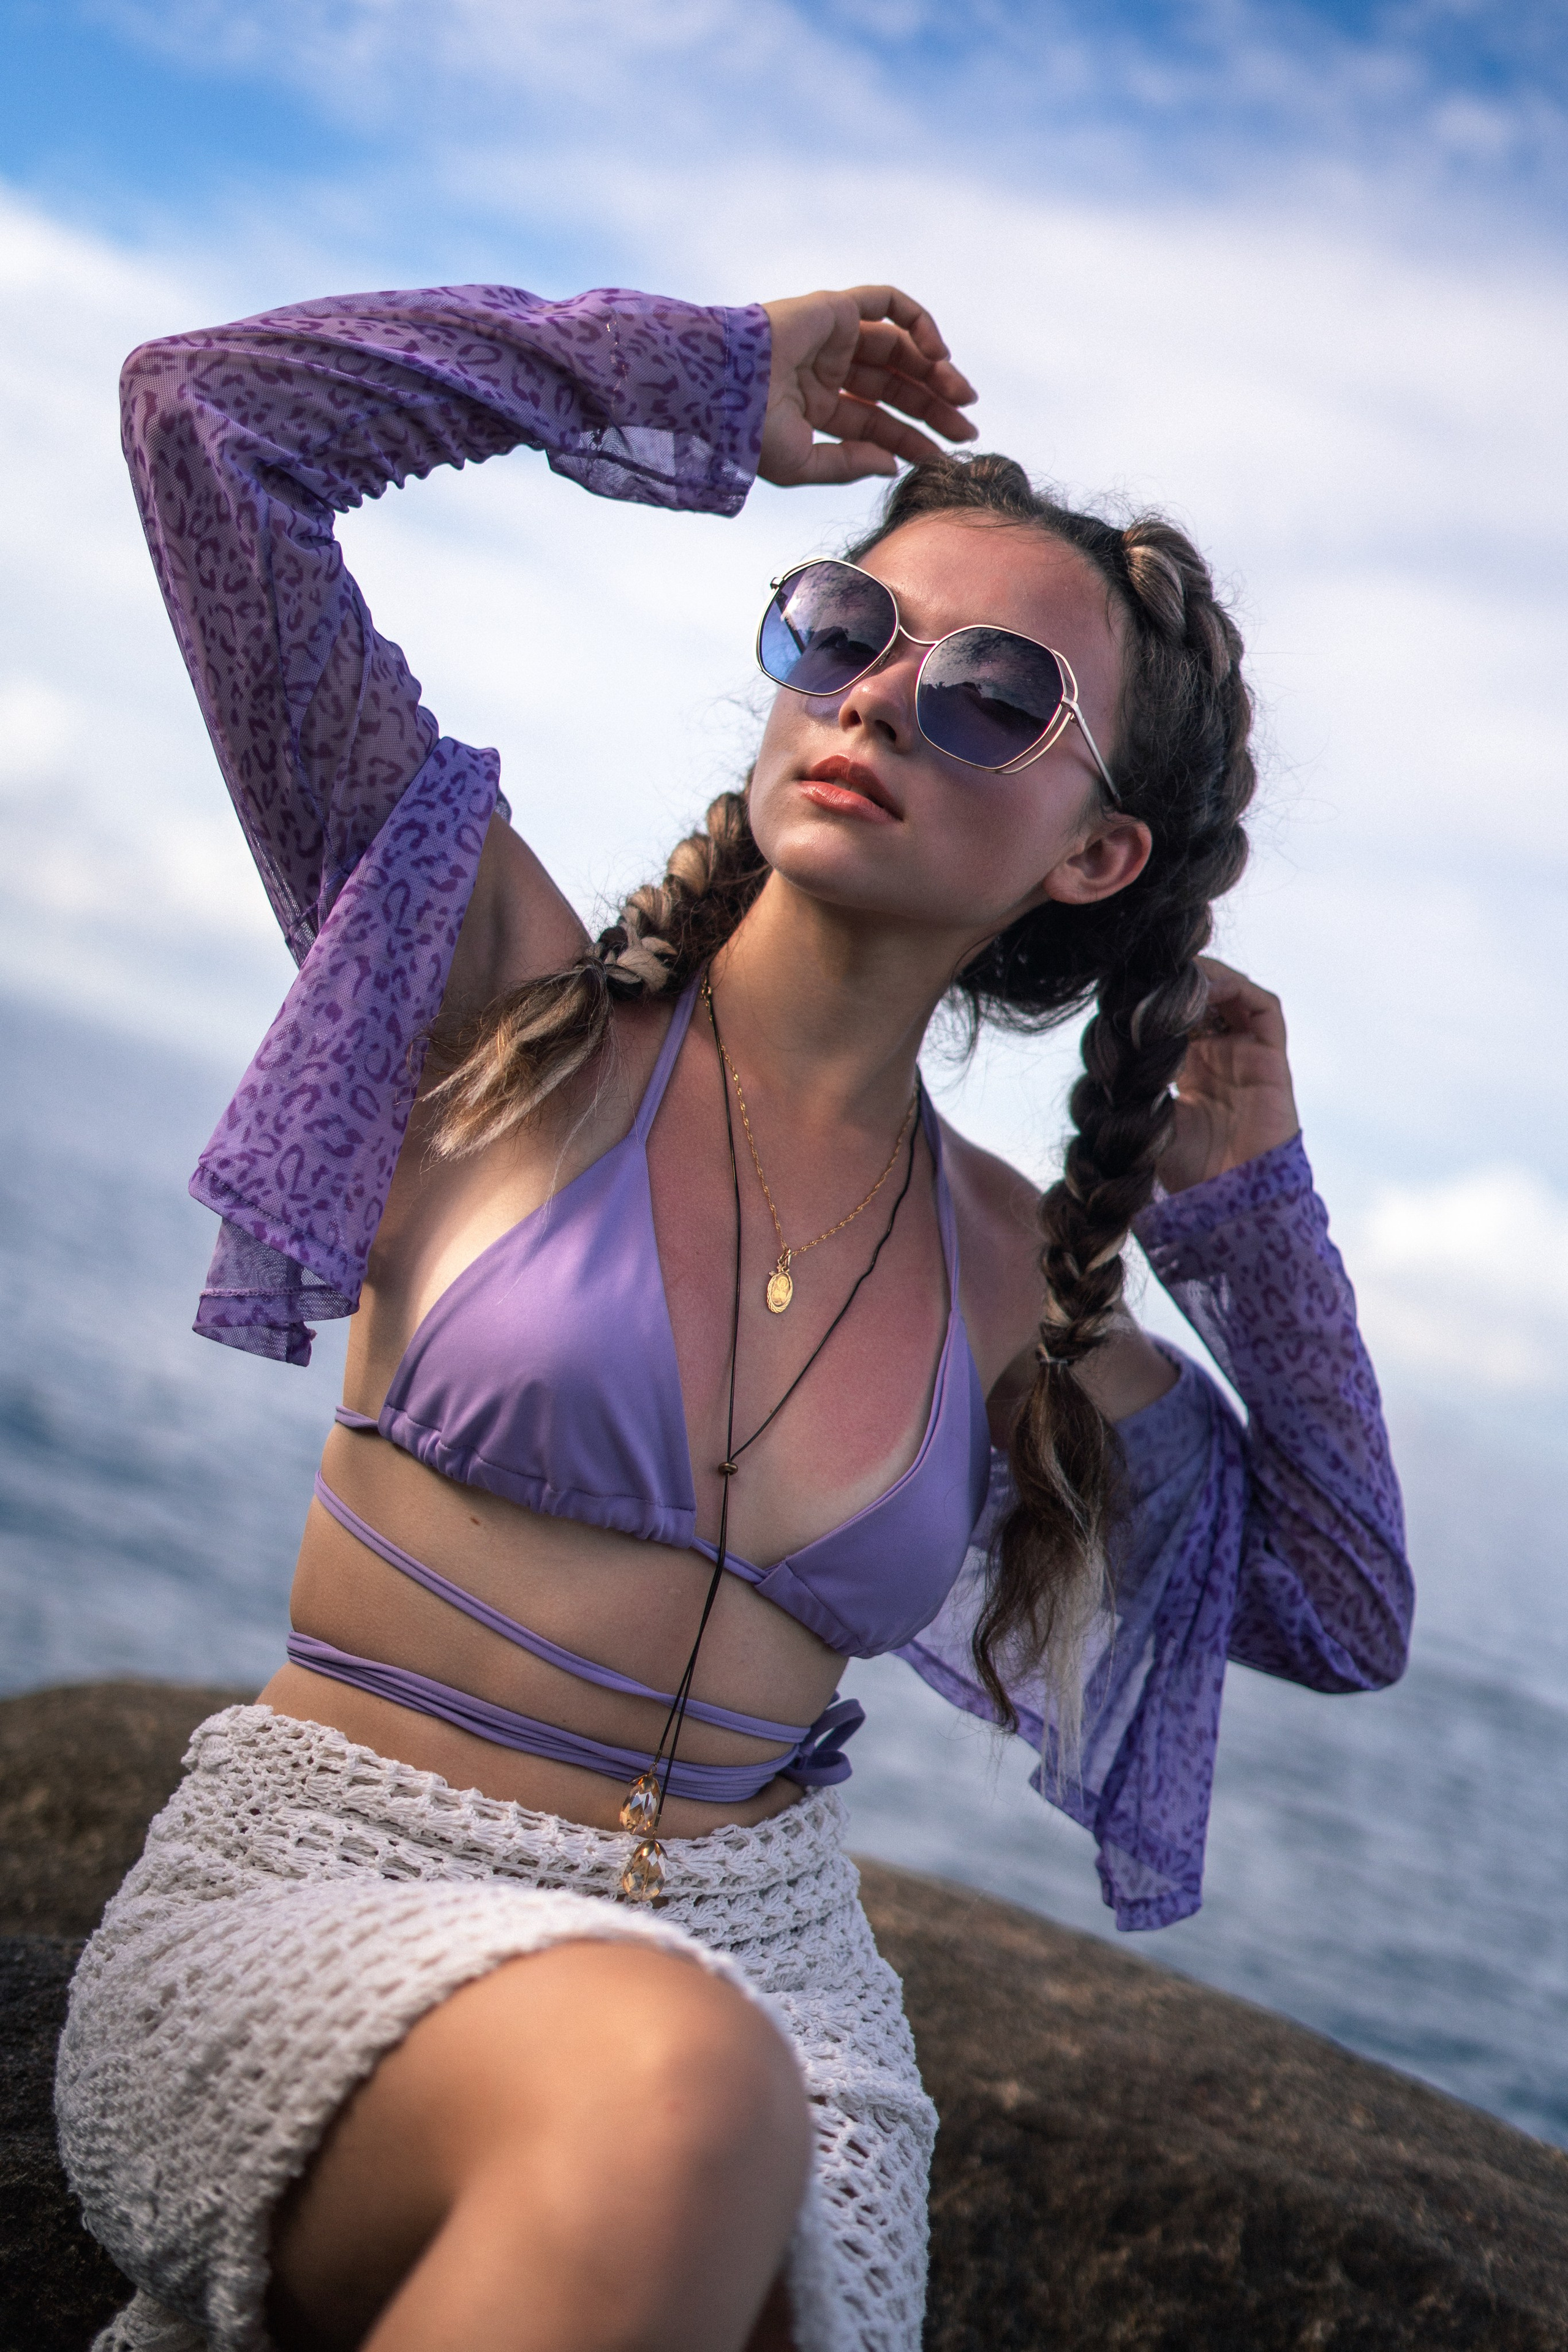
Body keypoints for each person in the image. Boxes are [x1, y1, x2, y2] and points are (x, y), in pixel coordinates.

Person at [56, 276, 1412, 2352]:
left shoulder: (1022, 1292)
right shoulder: (489, 1000)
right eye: (846, 633)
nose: (879, 697)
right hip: (329, 1887)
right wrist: (686, 380)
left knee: (712, 2104)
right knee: (678, 2090)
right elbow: (203, 426)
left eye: (989, 695)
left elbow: (1341, 1601)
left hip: (783, 1996)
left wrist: (1249, 1210)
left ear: (1095, 852)